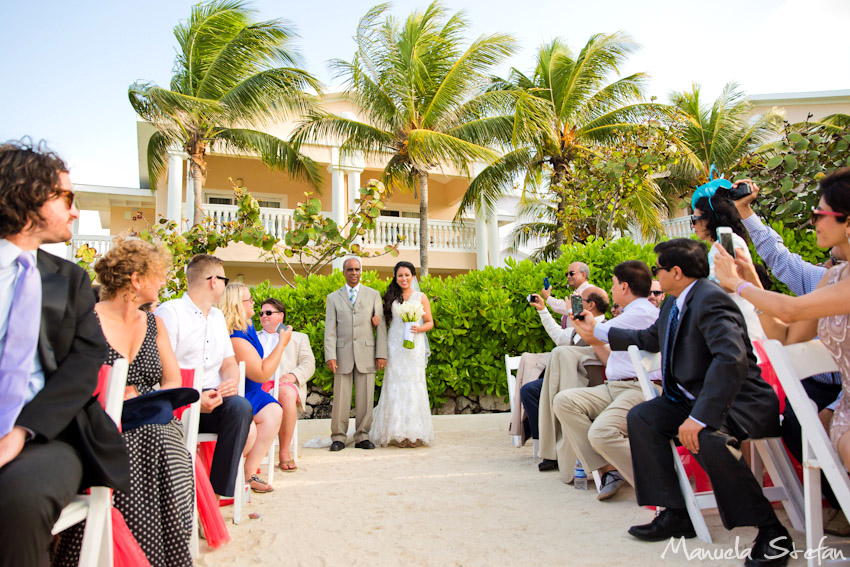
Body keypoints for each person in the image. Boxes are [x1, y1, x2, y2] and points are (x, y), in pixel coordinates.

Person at [607, 239, 792, 566]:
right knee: (643, 418)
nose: (654, 277)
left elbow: (730, 360)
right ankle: (678, 514)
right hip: (693, 399)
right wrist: (600, 332)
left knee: (707, 437)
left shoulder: (711, 300)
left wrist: (702, 416)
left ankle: (771, 531)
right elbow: (651, 338)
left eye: (657, 269)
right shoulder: (672, 303)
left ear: (676, 272)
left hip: (737, 402)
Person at [0, 139, 128, 567]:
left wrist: (21, 432)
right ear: (27, 195)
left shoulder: (68, 281)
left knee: (19, 499)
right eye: (67, 197)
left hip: (46, 435)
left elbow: (85, 361)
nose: (75, 211)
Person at [55, 238, 194, 567]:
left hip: (150, 415)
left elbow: (173, 380)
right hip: (98, 421)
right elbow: (69, 381)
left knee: (162, 439)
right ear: (136, 279)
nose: (163, 281)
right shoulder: (87, 320)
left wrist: (148, 398)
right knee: (138, 444)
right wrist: (112, 395)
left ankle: (163, 558)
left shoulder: (154, 324)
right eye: (158, 275)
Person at [715, 168, 850, 471]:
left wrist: (739, 286)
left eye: (821, 213)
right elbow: (787, 336)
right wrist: (748, 277)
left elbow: (791, 309)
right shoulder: (832, 276)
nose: (814, 220)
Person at [556, 261, 661, 501]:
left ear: (624, 287)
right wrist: (585, 327)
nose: (611, 290)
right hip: (616, 387)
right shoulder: (630, 314)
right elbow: (596, 339)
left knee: (601, 433)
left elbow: (598, 332)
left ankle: (657, 481)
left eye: (613, 285)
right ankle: (607, 467)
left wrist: (586, 324)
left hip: (641, 388)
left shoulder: (642, 313)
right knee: (564, 401)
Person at [155, 255, 253, 498]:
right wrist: (196, 400)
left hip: (214, 398)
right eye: (224, 279)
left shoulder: (218, 317)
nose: (224, 285)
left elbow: (229, 363)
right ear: (213, 281)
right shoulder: (170, 312)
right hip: (177, 403)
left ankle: (215, 494)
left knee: (240, 407)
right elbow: (161, 373)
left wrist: (230, 383)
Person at [519, 287, 608, 453]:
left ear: (591, 306)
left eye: (580, 300)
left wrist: (570, 312)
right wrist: (543, 310)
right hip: (566, 379)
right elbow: (558, 336)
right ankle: (545, 445)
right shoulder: (578, 329)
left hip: (587, 382)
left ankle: (556, 448)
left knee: (542, 390)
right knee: (530, 391)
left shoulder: (604, 328)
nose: (576, 303)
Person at [218, 283, 286, 492]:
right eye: (249, 299)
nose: (253, 302)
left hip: (253, 391)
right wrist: (282, 342)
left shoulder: (247, 326)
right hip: (240, 392)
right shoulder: (234, 336)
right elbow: (262, 372)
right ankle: (233, 476)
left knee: (274, 411)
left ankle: (250, 473)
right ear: (238, 304)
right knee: (252, 430)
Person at [690, 177, 765, 346]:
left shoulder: (728, 241)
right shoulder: (721, 244)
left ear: (709, 219)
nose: (693, 226)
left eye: (695, 220)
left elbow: (733, 280)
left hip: (740, 318)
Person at [324, 257, 388, 451]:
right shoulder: (333, 297)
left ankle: (362, 436)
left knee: (366, 398)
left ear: (361, 272)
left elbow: (381, 326)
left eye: (357, 269)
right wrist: (330, 355)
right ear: (344, 272)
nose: (354, 273)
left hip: (367, 353)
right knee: (341, 398)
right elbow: (330, 329)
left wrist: (381, 353)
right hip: (342, 353)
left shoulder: (374, 295)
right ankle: (338, 437)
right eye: (350, 269)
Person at [370, 261, 435, 447]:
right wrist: (376, 322)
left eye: (407, 275)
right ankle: (398, 432)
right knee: (395, 385)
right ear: (395, 277)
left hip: (414, 346)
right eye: (400, 275)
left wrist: (418, 328)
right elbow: (384, 321)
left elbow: (430, 322)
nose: (404, 278)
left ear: (413, 276)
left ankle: (414, 433)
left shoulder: (420, 297)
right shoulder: (391, 296)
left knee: (414, 385)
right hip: (395, 346)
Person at [257, 297, 315, 471]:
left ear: (281, 316)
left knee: (287, 394)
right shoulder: (252, 337)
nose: (263, 316)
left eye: (268, 313)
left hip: (282, 382)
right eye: (261, 313)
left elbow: (308, 363)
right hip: (258, 382)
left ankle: (284, 452)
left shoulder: (298, 338)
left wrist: (293, 375)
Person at [540, 261, 592, 327]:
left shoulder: (588, 290)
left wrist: (548, 298)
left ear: (583, 275)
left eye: (571, 273)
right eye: (567, 274)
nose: (568, 276)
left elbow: (569, 308)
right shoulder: (578, 291)